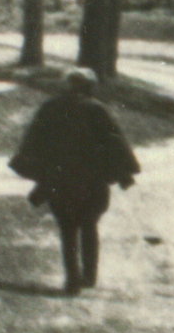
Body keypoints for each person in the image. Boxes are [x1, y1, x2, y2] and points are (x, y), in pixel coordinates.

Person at [9, 66, 141, 295]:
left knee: (67, 229)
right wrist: (123, 174)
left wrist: (37, 174)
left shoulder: (50, 109)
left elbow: (33, 143)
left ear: (66, 85)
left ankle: (72, 280)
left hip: (59, 181)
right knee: (89, 226)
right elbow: (115, 145)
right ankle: (89, 276)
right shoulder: (98, 111)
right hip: (92, 182)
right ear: (90, 87)